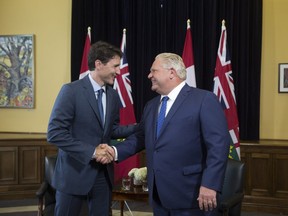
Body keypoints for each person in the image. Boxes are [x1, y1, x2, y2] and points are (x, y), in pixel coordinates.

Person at [99, 53, 230, 216]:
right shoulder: (151, 106)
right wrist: (114, 151)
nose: (149, 75)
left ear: (172, 72)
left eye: (154, 71)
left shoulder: (204, 100)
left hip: (192, 194)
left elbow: (219, 146)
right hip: (159, 196)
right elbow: (141, 138)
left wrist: (210, 184)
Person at [47, 41, 137, 216]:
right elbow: (54, 133)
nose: (119, 72)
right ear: (98, 64)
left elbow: (112, 130)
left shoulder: (112, 94)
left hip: (103, 176)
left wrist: (141, 127)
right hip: (74, 174)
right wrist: (93, 152)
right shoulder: (71, 91)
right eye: (115, 66)